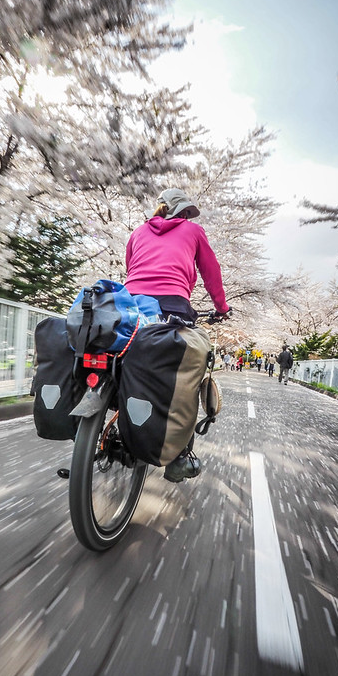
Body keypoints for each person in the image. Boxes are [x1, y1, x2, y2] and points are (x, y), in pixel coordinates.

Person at [125, 188, 230, 483]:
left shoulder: (137, 232)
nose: (187, 217)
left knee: (124, 353)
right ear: (181, 212)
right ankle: (180, 457)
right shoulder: (194, 231)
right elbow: (212, 273)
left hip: (131, 304)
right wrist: (221, 307)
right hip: (172, 306)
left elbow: (131, 267)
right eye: (185, 212)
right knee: (188, 369)